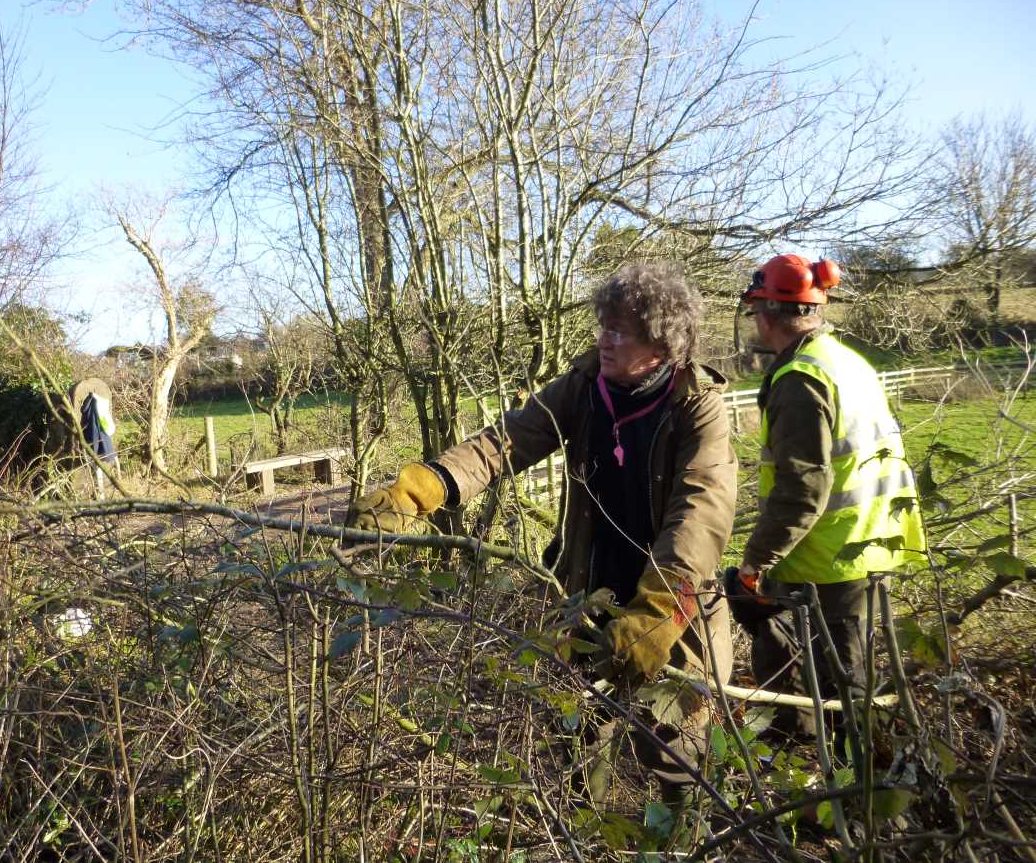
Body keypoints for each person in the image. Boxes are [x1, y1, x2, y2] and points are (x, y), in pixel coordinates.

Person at [348, 262, 736, 805]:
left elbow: (701, 513)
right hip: (588, 592)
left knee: (675, 747)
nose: (604, 338)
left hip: (670, 603)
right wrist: (420, 491)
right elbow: (502, 443)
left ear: (663, 343)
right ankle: (588, 838)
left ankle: (688, 839)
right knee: (578, 735)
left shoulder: (698, 408)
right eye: (604, 324)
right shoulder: (583, 388)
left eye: (620, 330)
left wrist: (659, 613)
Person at [732, 253, 926, 744]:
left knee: (836, 693)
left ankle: (847, 796)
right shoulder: (845, 361)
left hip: (826, 558)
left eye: (757, 309)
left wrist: (756, 562)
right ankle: (836, 784)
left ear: (768, 313)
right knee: (845, 679)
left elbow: (803, 489)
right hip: (871, 542)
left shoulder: (801, 380)